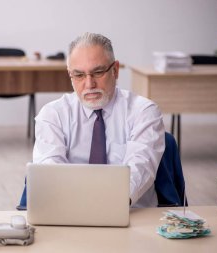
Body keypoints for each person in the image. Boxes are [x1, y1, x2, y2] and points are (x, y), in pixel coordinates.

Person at [33, 32, 165, 207]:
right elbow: (50, 171)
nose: (89, 84)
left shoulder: (144, 112)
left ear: (115, 70)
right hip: (70, 212)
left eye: (98, 72)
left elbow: (140, 168)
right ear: (70, 75)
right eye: (79, 75)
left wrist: (108, 206)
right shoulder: (53, 115)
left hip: (131, 212)